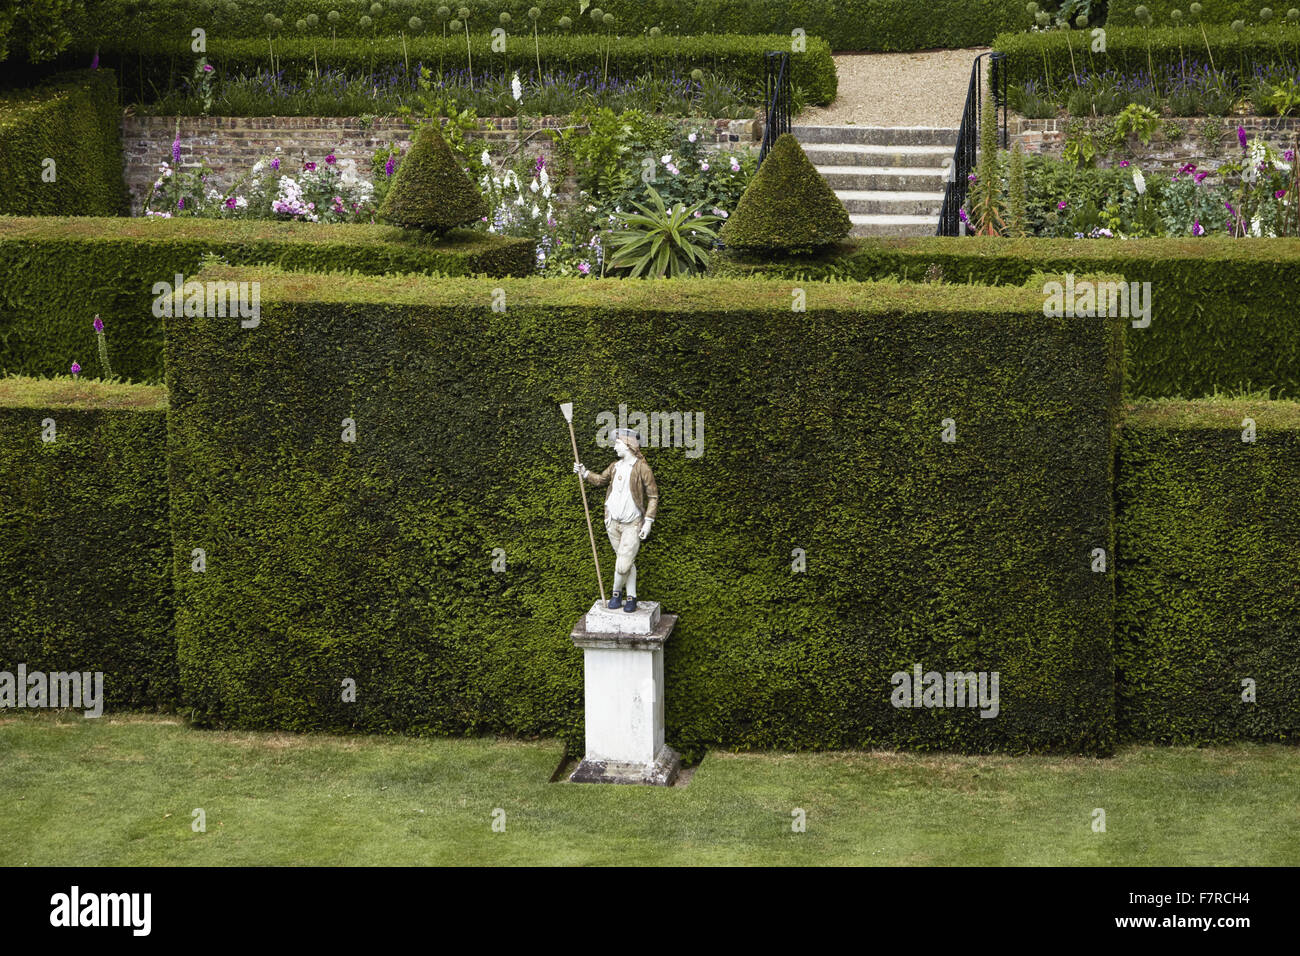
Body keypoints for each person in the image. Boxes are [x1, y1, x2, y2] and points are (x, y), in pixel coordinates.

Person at [573, 428, 659, 612]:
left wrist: (649, 521)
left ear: (628, 446)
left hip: (632, 524)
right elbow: (601, 480)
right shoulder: (615, 466)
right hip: (612, 522)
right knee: (625, 560)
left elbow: (653, 496)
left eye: (617, 444)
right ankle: (631, 597)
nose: (614, 448)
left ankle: (615, 592)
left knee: (623, 564)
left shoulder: (642, 468)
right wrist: (585, 473)